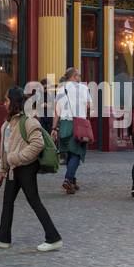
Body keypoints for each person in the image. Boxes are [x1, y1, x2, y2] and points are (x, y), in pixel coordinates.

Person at [0, 85, 63, 252]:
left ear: (13, 102)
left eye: (6, 100)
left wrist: (17, 158)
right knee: (7, 201)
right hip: (13, 168)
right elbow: (5, 149)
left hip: (26, 168)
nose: (4, 103)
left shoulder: (28, 120)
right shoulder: (8, 123)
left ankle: (54, 238)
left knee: (34, 201)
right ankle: (3, 237)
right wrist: (2, 169)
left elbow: (38, 144)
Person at [53, 65, 91, 194]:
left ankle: (73, 181)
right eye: (79, 75)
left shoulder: (61, 89)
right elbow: (88, 106)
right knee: (76, 153)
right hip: (78, 124)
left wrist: (54, 127)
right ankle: (68, 180)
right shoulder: (84, 88)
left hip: (64, 124)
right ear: (74, 76)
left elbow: (57, 110)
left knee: (69, 152)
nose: (80, 77)